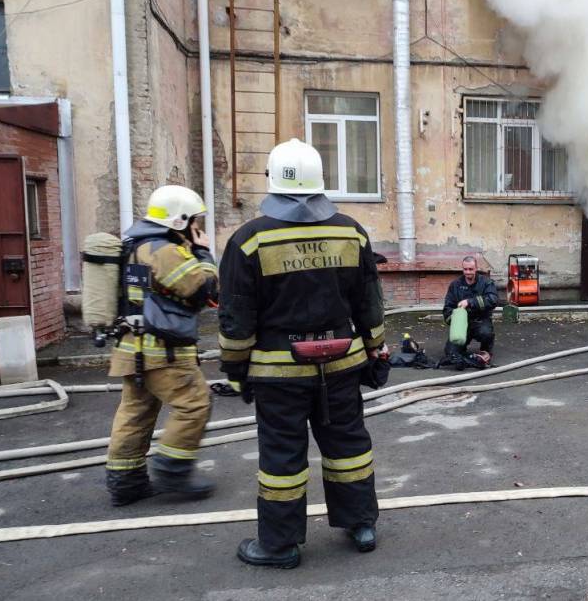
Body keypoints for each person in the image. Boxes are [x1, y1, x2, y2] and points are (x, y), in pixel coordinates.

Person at [219, 138, 386, 569]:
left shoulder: (248, 241)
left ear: (272, 181)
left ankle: (279, 545)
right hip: (342, 365)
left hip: (279, 376)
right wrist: (374, 351)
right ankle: (361, 525)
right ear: (320, 181)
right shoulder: (350, 231)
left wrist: (236, 369)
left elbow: (237, 317)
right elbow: (369, 302)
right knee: (348, 446)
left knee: (282, 458)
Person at [105, 185, 218, 506]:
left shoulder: (138, 244)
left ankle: (126, 482)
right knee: (194, 403)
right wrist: (203, 254)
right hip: (162, 349)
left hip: (135, 347)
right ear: (180, 220)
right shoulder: (162, 249)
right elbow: (201, 289)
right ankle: (173, 470)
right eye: (195, 220)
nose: (198, 227)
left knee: (136, 412)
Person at [442, 256, 498, 368]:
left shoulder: (486, 283)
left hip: (480, 321)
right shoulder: (455, 285)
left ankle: (486, 352)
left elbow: (493, 300)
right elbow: (447, 308)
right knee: (450, 352)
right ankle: (472, 356)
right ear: (462, 269)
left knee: (486, 333)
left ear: (476, 268)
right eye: (465, 269)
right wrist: (455, 318)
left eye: (471, 269)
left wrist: (470, 302)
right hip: (462, 325)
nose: (468, 272)